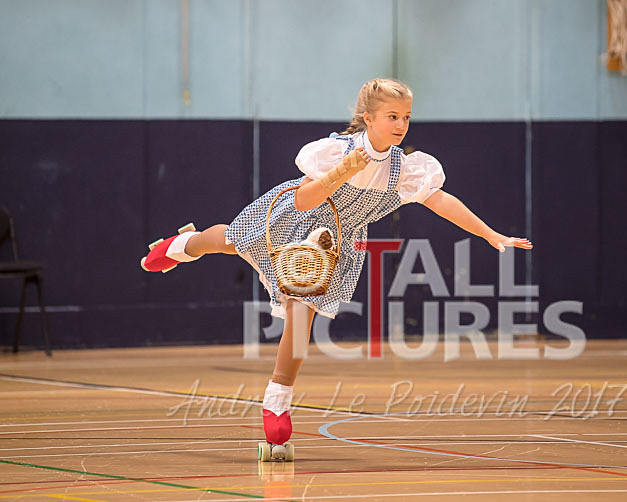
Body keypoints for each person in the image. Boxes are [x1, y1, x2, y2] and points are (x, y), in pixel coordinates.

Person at [141, 78, 532, 455]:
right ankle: (181, 244)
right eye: (392, 116)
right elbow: (305, 202)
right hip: (293, 217)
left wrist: (489, 234)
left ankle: (277, 400)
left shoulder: (405, 168)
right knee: (229, 241)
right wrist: (342, 171)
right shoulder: (335, 151)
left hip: (330, 244)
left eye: (406, 117)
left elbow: (442, 202)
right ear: (368, 117)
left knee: (299, 323)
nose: (401, 125)